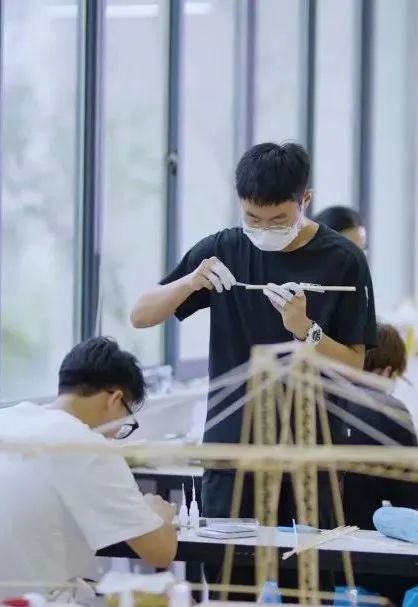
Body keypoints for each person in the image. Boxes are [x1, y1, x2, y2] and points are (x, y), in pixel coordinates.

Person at [131, 142, 377, 594]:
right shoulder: (224, 248)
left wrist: (306, 331)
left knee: (308, 585)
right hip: (233, 450)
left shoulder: (343, 259)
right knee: (231, 584)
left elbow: (355, 366)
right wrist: (190, 281)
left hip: (311, 455)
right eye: (252, 218)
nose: (263, 230)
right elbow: (141, 315)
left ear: (305, 200)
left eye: (278, 219)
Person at [0, 337, 177, 598]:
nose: (116, 435)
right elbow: (161, 553)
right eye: (125, 420)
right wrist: (159, 515)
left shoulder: (8, 418)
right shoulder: (90, 447)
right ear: (115, 399)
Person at [342, 323, 417, 604]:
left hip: (314, 554)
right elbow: (410, 496)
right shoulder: (390, 411)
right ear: (387, 371)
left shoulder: (321, 401)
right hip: (370, 559)